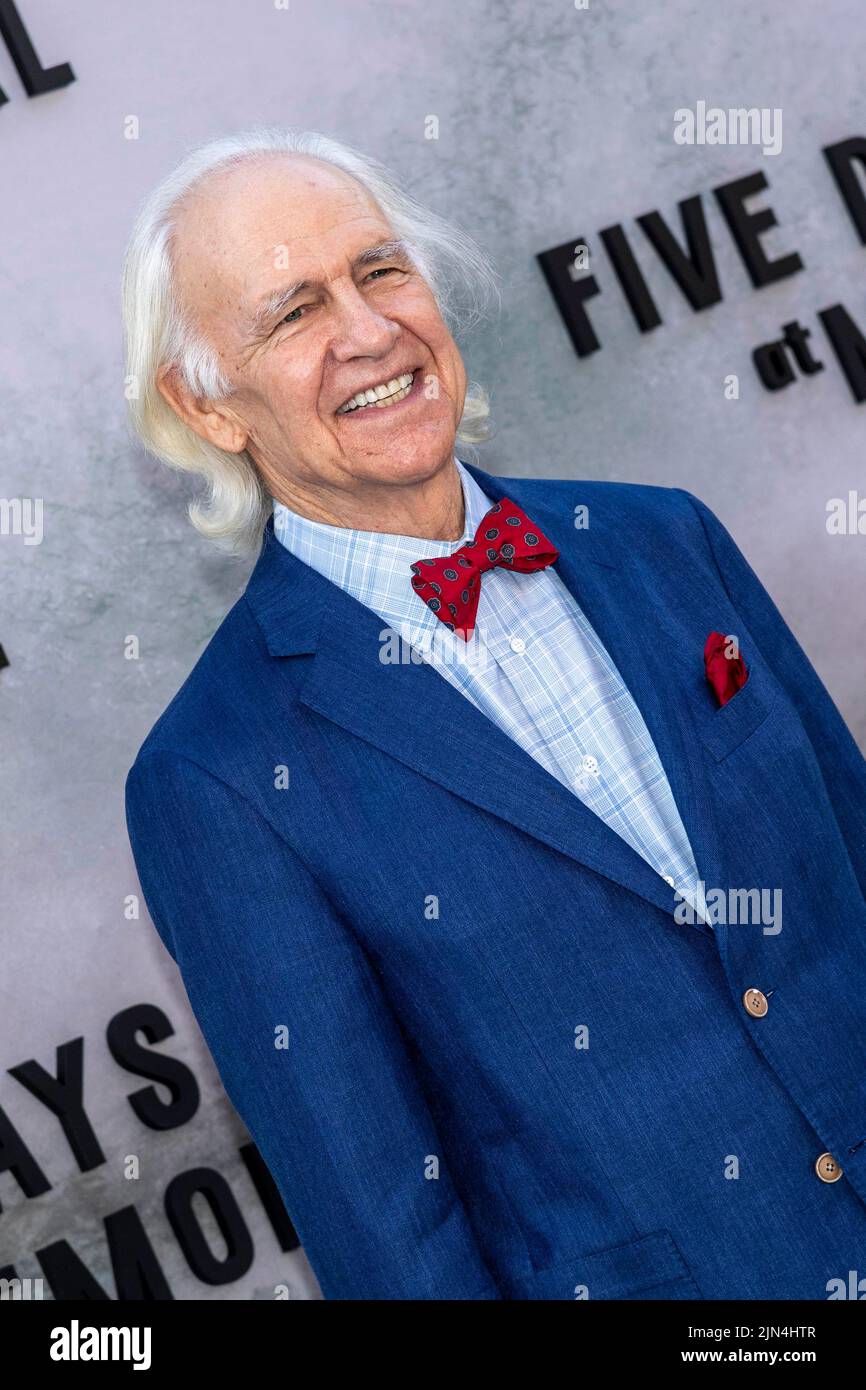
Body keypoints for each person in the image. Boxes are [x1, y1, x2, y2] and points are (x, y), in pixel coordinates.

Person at [123, 127, 866, 1300]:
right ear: (206, 406)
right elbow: (385, 1234)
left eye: (379, 271)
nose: (367, 333)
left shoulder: (663, 538)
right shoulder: (213, 780)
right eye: (292, 313)